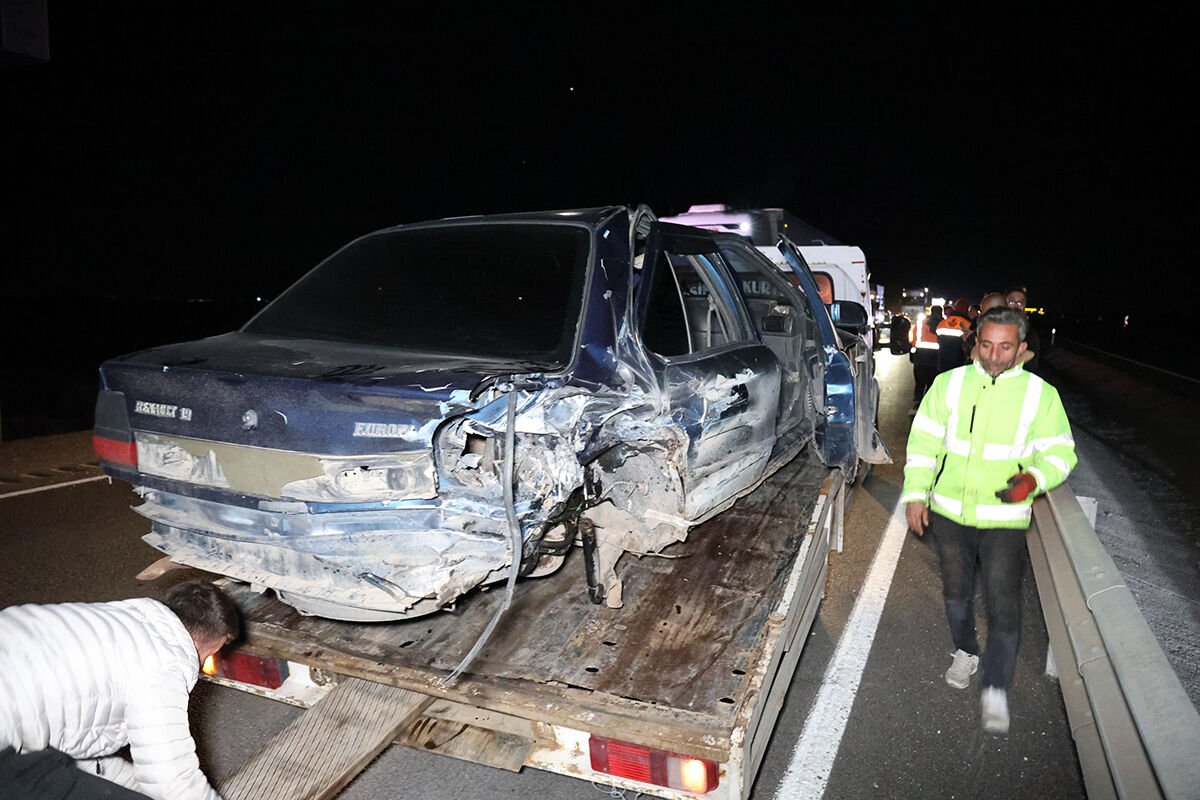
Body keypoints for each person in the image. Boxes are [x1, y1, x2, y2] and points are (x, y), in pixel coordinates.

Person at [902, 307, 1076, 734]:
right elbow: (924, 444)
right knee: (956, 594)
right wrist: (914, 494)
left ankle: (995, 687)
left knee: (1002, 603)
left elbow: (1061, 453)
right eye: (986, 345)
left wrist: (1032, 480)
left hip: (1003, 516)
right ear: (975, 343)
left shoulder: (1041, 396)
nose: (994, 356)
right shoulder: (949, 384)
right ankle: (965, 651)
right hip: (949, 512)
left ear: (1022, 350)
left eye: (1004, 347)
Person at [0, 581, 239, 799]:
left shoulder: (120, 624)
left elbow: (82, 754)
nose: (203, 664)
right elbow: (172, 782)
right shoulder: (163, 662)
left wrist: (133, 786)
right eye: (208, 656)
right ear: (195, 645)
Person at [911, 305, 943, 410]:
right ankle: (929, 404)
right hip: (936, 356)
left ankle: (917, 402)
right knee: (932, 381)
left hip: (921, 355)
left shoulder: (921, 322)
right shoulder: (943, 324)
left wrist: (912, 351)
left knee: (920, 381)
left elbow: (913, 337)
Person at [1004, 287, 1040, 372]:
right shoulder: (992, 328)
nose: (1016, 305)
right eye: (1012, 302)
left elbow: (1031, 361)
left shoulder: (1031, 335)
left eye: (1020, 303)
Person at [936, 298, 972, 373]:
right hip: (958, 361)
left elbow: (938, 338)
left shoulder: (943, 322)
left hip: (942, 359)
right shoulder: (968, 323)